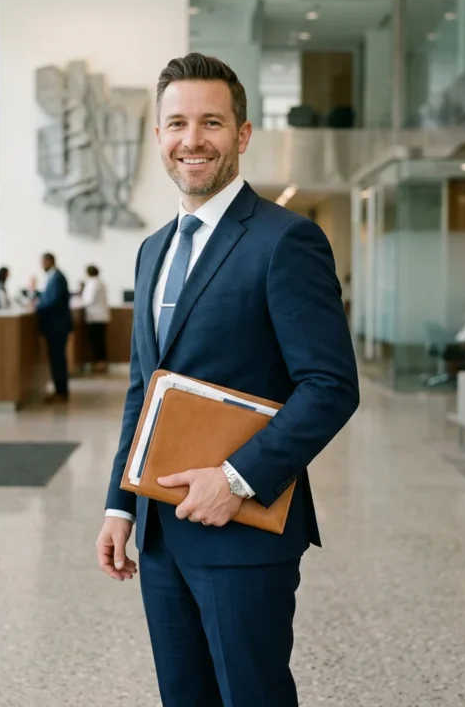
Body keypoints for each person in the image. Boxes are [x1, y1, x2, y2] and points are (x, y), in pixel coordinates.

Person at [96, 53, 360, 707]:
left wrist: (235, 478)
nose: (193, 139)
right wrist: (119, 504)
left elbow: (330, 385)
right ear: (158, 135)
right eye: (177, 123)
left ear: (241, 135)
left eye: (211, 122)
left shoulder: (285, 241)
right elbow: (143, 388)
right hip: (160, 533)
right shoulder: (152, 249)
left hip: (243, 533)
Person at [34, 252, 72, 403]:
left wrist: (38, 306)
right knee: (56, 359)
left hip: (57, 327)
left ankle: (61, 392)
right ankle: (59, 390)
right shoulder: (54, 277)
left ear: (49, 261)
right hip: (56, 326)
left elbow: (53, 301)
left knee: (58, 359)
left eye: (42, 262)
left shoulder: (57, 278)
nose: (41, 265)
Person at [80, 265, 111, 373]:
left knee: (96, 341)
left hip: (95, 317)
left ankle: (99, 364)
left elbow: (88, 300)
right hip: (101, 316)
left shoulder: (92, 283)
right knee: (100, 340)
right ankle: (101, 363)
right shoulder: (100, 282)